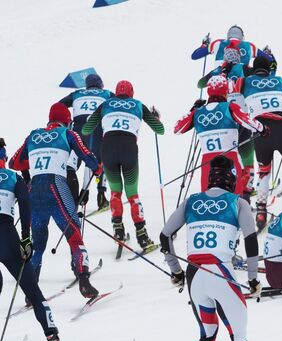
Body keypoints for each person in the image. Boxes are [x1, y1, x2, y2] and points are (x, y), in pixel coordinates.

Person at [160, 156, 261, 341]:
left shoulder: (191, 201)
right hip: (221, 273)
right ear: (232, 179)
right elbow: (250, 241)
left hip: (195, 276)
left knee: (207, 334)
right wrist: (252, 278)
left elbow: (164, 235)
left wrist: (176, 271)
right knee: (239, 335)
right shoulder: (238, 203)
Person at [9, 103, 102, 297]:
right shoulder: (68, 134)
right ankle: (84, 281)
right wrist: (98, 169)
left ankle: (30, 293)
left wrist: (36, 158)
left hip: (34, 190)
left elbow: (14, 163)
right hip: (57, 185)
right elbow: (87, 155)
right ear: (67, 121)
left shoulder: (33, 135)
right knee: (75, 236)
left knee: (38, 244)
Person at [0, 139, 78, 341]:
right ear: (4, 157)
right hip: (6, 235)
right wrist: (26, 238)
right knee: (34, 292)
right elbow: (26, 207)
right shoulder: (14, 177)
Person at [81, 80, 165, 250]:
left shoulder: (106, 104)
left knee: (115, 192)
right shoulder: (138, 105)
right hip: (129, 150)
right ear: (132, 92)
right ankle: (142, 236)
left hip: (108, 149)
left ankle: (118, 231)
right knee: (132, 194)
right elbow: (160, 129)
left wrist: (100, 120)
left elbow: (86, 129)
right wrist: (155, 117)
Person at [235, 55, 282, 229]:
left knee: (264, 173)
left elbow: (226, 89)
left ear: (254, 69)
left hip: (261, 131)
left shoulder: (244, 82)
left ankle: (261, 213)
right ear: (270, 69)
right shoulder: (280, 81)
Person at [174, 74, 267, 193]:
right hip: (230, 159)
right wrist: (263, 129)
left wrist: (193, 110)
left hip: (208, 162)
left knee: (208, 198)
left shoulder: (198, 112)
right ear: (226, 91)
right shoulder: (230, 107)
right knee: (234, 199)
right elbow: (249, 122)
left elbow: (177, 129)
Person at [59, 73, 113, 209]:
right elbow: (124, 103)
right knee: (100, 161)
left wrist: (67, 121)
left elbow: (59, 105)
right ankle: (101, 196)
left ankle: (77, 197)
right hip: (98, 131)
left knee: (72, 165)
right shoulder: (106, 94)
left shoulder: (77, 94)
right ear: (100, 85)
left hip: (79, 132)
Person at [191, 25, 258, 68]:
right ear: (242, 37)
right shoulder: (250, 46)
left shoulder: (218, 43)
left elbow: (195, 56)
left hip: (220, 82)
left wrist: (204, 45)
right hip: (240, 84)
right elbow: (268, 59)